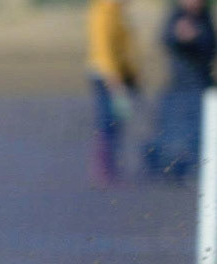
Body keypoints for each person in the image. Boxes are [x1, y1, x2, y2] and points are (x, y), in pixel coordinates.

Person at [145, 0, 216, 179]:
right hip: (180, 88)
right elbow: (166, 38)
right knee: (172, 135)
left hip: (202, 87)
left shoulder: (204, 18)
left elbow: (210, 45)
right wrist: (180, 36)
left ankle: (199, 170)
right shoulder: (176, 16)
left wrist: (197, 37)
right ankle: (167, 168)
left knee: (202, 135)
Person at [88, 0, 142, 184]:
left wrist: (132, 74)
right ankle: (104, 170)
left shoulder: (117, 12)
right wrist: (114, 81)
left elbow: (125, 47)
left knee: (118, 121)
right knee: (107, 121)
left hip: (121, 75)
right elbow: (104, 51)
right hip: (107, 77)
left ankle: (113, 167)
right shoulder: (102, 12)